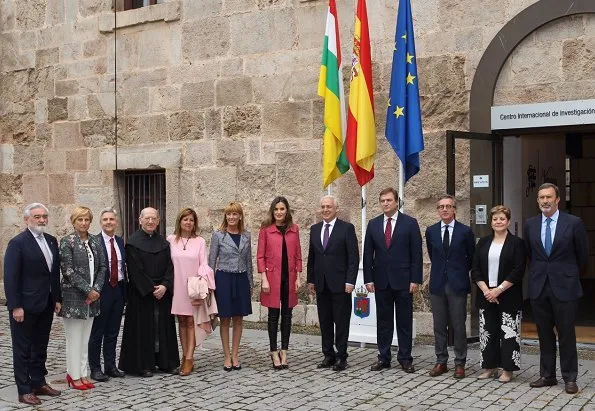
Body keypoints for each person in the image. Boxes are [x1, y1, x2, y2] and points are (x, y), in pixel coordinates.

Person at [524, 183, 588, 394]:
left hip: (565, 287)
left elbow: (582, 256)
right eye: (541, 197)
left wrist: (569, 276)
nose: (545, 201)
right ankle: (547, 375)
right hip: (539, 286)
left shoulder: (573, 223)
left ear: (558, 199)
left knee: (566, 333)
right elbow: (530, 255)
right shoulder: (530, 224)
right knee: (544, 333)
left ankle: (570, 377)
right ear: (538, 201)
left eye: (549, 197)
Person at [4, 203, 62, 405]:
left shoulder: (52, 241)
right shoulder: (18, 243)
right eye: (37, 216)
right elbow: (11, 277)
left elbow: (53, 273)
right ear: (27, 219)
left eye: (44, 216)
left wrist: (57, 298)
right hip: (25, 306)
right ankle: (24, 389)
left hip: (45, 303)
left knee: (40, 346)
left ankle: (38, 382)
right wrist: (15, 306)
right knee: (23, 349)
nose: (41, 220)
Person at [364, 187, 422, 373]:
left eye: (389, 200)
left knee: (404, 321)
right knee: (384, 321)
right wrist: (368, 279)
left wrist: (415, 279)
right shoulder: (373, 224)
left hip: (404, 281)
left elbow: (417, 254)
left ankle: (405, 358)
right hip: (381, 281)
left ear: (397, 202)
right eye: (382, 201)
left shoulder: (410, 223)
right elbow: (367, 254)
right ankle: (384, 357)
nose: (386, 203)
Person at [118, 207, 180, 377]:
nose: (151, 221)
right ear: (140, 220)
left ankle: (166, 363)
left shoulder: (164, 243)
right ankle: (143, 365)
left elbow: (170, 267)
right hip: (141, 294)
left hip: (162, 292)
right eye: (147, 218)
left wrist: (165, 286)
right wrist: (150, 289)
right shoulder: (132, 243)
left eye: (154, 219)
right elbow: (134, 270)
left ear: (158, 221)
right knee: (143, 329)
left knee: (163, 328)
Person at [471, 205, 526, 383]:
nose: (498, 222)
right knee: (488, 332)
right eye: (495, 219)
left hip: (508, 293)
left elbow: (518, 270)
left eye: (502, 219)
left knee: (509, 333)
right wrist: (487, 290)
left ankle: (508, 370)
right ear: (491, 222)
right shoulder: (483, 242)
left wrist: (498, 289)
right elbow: (476, 268)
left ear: (508, 221)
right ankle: (490, 366)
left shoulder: (517, 243)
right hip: (486, 294)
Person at [425, 195, 475, 379]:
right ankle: (441, 361)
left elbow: (471, 257)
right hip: (437, 284)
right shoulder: (431, 231)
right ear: (438, 210)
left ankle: (460, 362)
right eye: (441, 207)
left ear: (455, 209)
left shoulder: (465, 232)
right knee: (439, 325)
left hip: (457, 284)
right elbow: (433, 255)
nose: (444, 209)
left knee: (458, 325)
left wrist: (458, 272)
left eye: (448, 206)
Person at [307, 195, 359, 372]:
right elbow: (312, 258)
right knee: (325, 321)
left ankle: (341, 356)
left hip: (341, 285)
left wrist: (350, 281)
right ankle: (328, 354)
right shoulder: (315, 229)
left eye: (329, 207)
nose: (325, 210)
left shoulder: (346, 229)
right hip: (321, 284)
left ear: (336, 209)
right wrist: (311, 280)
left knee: (341, 321)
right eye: (322, 207)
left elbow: (353, 258)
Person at [59, 206, 106, 390]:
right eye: (80, 219)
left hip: (92, 298)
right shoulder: (67, 242)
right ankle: (73, 375)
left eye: (86, 219)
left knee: (85, 338)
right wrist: (88, 290)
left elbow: (102, 267)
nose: (84, 223)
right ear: (74, 221)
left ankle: (83, 373)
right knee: (74, 338)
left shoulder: (95, 241)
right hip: (74, 298)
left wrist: (96, 289)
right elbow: (68, 271)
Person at [167, 208, 215, 376]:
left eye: (191, 220)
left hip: (193, 286)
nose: (188, 222)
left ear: (195, 223)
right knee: (181, 320)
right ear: (180, 221)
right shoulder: (171, 240)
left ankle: (189, 358)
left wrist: (203, 285)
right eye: (185, 219)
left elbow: (204, 264)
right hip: (177, 286)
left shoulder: (200, 241)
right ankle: (184, 354)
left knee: (191, 322)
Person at [258, 196, 303, 369]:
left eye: (282, 209)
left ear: (287, 210)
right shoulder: (266, 230)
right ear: (272, 211)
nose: (279, 212)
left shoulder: (294, 229)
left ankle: (284, 350)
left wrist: (298, 277)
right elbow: (260, 256)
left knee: (287, 315)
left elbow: (298, 255)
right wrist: (264, 279)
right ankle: (273, 350)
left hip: (289, 278)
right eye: (276, 209)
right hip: (272, 279)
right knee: (273, 316)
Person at [209, 202, 253, 371]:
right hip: (224, 279)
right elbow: (211, 262)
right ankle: (226, 355)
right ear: (225, 216)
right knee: (225, 318)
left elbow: (249, 262)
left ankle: (236, 354)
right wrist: (210, 286)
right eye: (229, 214)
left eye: (235, 214)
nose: (232, 217)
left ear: (240, 216)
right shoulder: (218, 235)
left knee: (239, 318)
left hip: (241, 278)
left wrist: (250, 283)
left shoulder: (246, 236)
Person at [88, 208, 127, 382]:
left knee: (113, 331)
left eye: (112, 219)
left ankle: (110, 366)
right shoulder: (94, 242)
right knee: (98, 331)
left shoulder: (120, 241)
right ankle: (95, 368)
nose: (109, 222)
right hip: (101, 291)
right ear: (101, 222)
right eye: (105, 220)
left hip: (118, 289)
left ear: (116, 222)